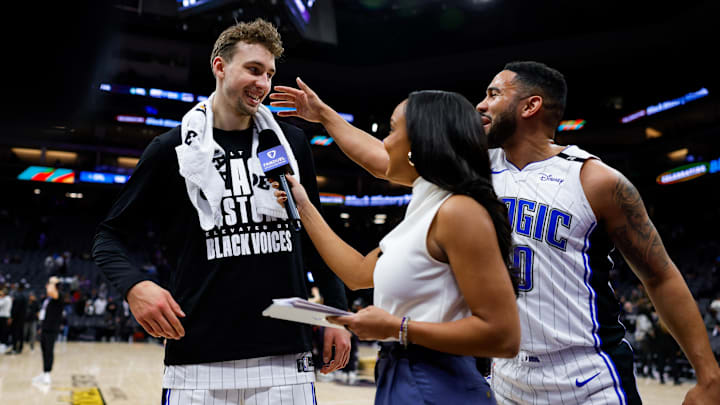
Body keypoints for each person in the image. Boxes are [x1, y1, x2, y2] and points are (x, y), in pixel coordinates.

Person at [268, 61, 720, 404]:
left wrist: (707, 375)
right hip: (503, 378)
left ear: (530, 105)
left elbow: (659, 276)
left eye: (493, 94)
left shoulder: (595, 181)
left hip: (587, 377)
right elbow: (385, 159)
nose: (480, 105)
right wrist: (325, 116)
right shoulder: (471, 173)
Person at [91, 18, 350, 405]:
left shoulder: (290, 143)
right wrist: (135, 286)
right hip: (197, 361)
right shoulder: (171, 149)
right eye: (253, 69)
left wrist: (336, 312)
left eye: (269, 73)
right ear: (220, 66)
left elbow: (315, 235)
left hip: (284, 359)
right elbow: (107, 236)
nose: (263, 82)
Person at [273, 90, 520, 404]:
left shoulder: (459, 211)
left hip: (437, 378)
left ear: (421, 142)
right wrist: (304, 206)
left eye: (391, 131)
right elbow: (358, 273)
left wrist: (396, 327)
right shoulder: (424, 202)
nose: (385, 142)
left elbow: (503, 336)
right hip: (400, 372)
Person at [33, 276, 65, 385]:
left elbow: (51, 291)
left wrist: (52, 281)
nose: (47, 287)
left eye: (50, 284)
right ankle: (44, 372)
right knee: (44, 350)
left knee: (49, 351)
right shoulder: (48, 300)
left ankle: (48, 374)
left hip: (52, 328)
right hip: (45, 327)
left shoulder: (59, 296)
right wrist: (41, 327)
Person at [8, 283, 28, 354]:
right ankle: (20, 348)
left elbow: (15, 309)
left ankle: (14, 348)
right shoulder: (26, 295)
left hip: (16, 318)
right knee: (21, 333)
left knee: (15, 333)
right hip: (23, 317)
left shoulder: (17, 295)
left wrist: (11, 317)